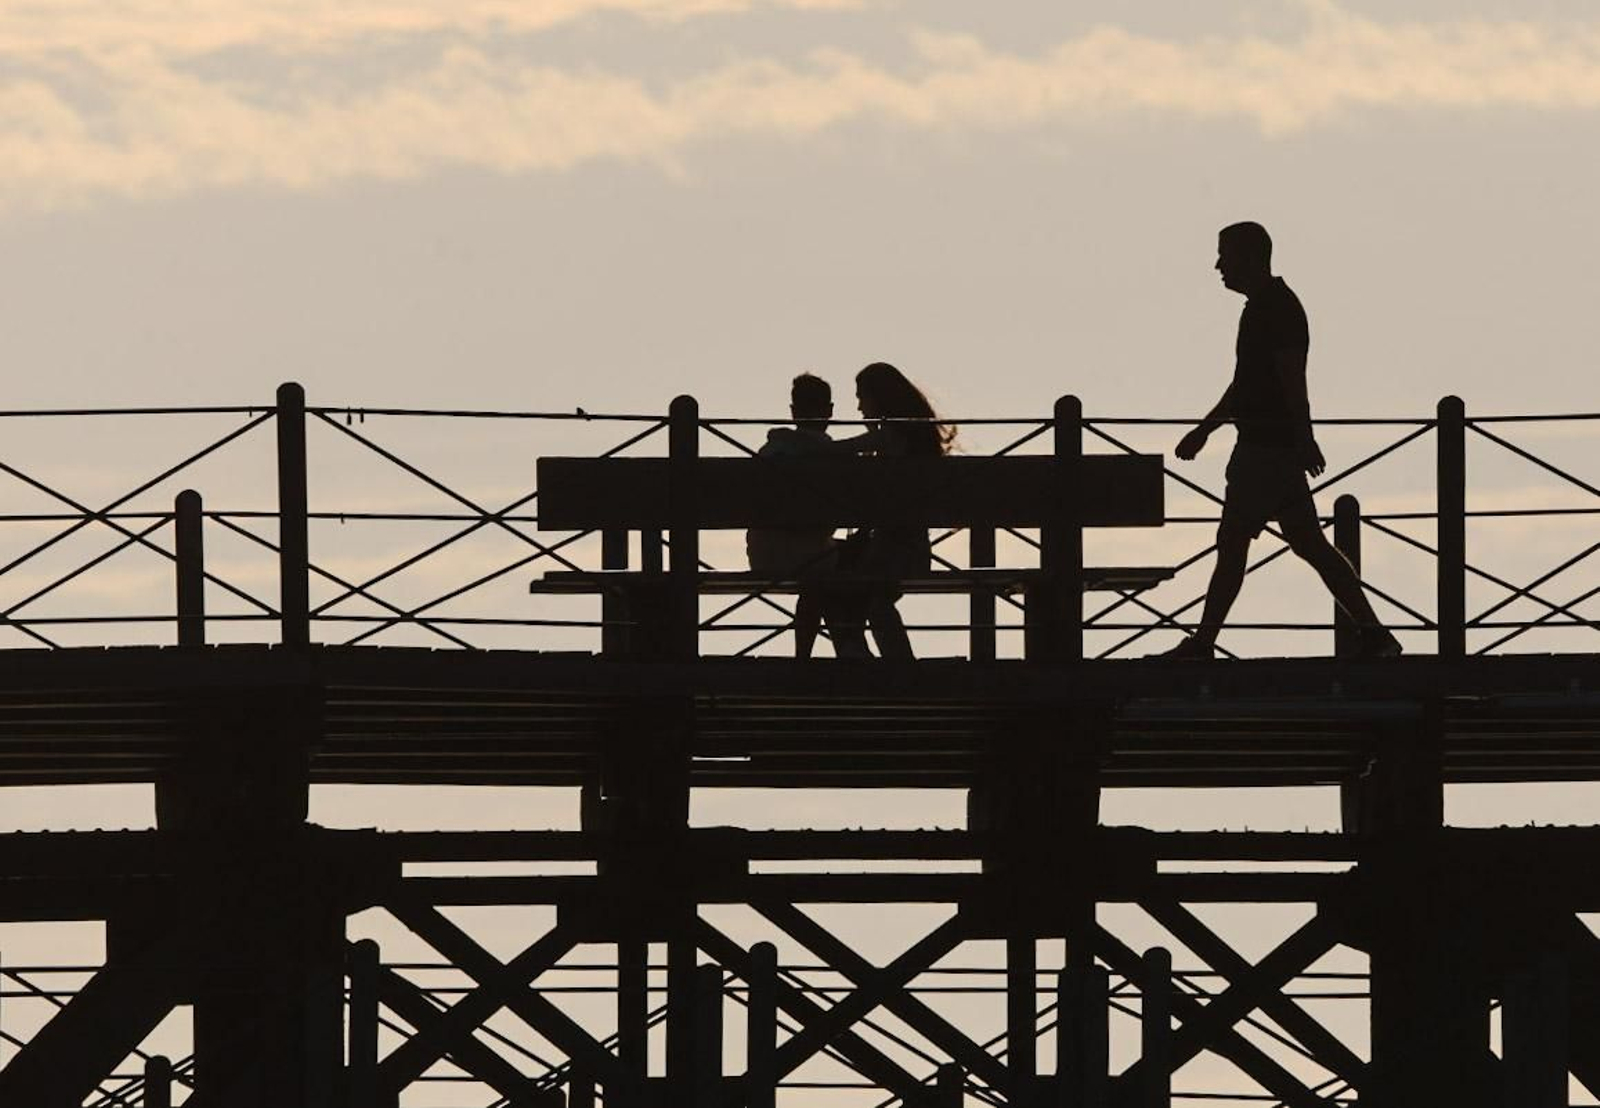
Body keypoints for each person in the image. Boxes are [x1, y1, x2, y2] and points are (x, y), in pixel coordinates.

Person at [1160, 221, 1401, 660]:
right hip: (1272, 446)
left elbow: (1292, 380)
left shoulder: (1275, 309)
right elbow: (1246, 384)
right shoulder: (1267, 308)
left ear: (1250, 258)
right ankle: (1375, 633)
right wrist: (1206, 429)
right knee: (1309, 544)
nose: (1218, 266)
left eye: (1225, 255)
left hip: (1264, 450)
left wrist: (1303, 438)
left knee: (1233, 545)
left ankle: (1203, 643)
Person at [834, 361, 957, 660]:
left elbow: (840, 450)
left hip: (896, 552)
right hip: (907, 548)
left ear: (879, 397)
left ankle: (878, 663)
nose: (860, 406)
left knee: (843, 588)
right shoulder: (913, 437)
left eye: (862, 397)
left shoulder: (891, 436)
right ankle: (890, 664)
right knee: (860, 595)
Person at [745, 373, 868, 658]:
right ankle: (848, 644)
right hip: (810, 555)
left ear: (793, 412)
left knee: (823, 574)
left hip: (764, 553)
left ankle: (808, 654)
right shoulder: (836, 456)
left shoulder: (771, 450)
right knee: (852, 561)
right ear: (829, 410)